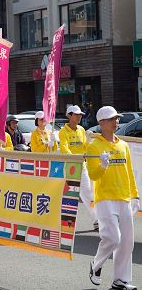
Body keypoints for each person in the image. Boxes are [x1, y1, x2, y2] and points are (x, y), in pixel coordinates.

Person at [86, 106, 139, 290]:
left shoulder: (123, 145)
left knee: (126, 242)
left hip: (124, 197)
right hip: (105, 198)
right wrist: (102, 166)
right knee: (112, 238)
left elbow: (129, 173)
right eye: (111, 119)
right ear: (101, 123)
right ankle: (96, 264)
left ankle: (120, 281)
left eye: (117, 118)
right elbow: (93, 175)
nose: (116, 121)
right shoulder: (94, 146)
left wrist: (135, 195)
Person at [59, 105, 98, 230]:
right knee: (66, 195)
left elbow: (85, 148)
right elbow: (65, 149)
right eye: (76, 114)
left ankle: (96, 219)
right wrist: (74, 158)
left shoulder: (81, 129)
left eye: (80, 114)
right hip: (69, 167)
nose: (79, 116)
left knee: (87, 194)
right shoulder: (63, 131)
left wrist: (89, 141)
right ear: (69, 115)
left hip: (82, 167)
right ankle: (60, 223)